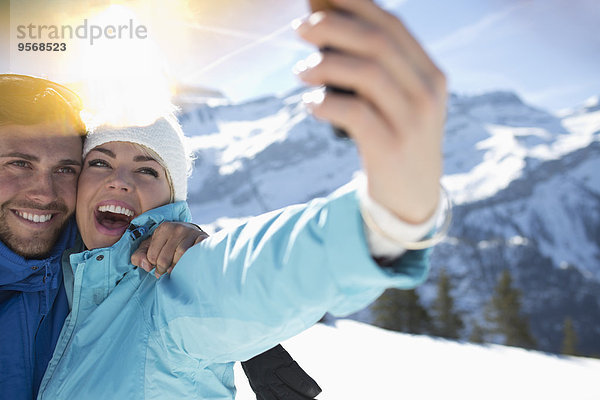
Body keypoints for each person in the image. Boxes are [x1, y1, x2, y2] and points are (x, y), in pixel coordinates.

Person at [37, 0, 448, 398]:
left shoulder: (173, 296)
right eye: (100, 162)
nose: (120, 181)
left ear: (171, 197)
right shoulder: (53, 275)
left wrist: (388, 218)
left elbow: (259, 271)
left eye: (147, 170)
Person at [0, 75, 320, 400]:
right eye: (18, 164)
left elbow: (287, 284)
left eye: (65, 169)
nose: (43, 193)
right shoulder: (69, 259)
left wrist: (208, 273)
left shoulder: (79, 262)